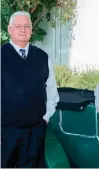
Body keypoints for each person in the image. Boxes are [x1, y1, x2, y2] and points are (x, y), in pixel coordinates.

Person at [1, 11, 59, 168]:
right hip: (5, 132)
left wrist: (45, 118)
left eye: (27, 26)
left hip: (35, 132)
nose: (23, 30)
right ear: (9, 29)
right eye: (18, 26)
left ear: (31, 30)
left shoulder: (43, 57)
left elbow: (52, 92)